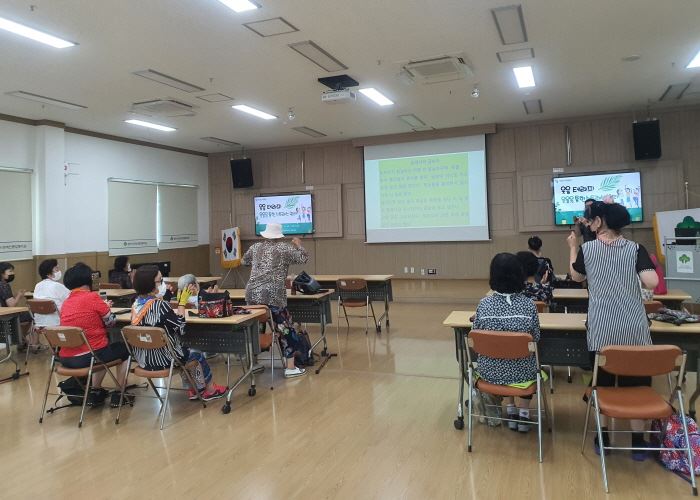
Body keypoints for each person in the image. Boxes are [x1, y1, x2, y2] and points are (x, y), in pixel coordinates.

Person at [567, 201, 658, 460]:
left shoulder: (587, 249)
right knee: (636, 385)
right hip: (634, 329)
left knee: (602, 385)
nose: (589, 224)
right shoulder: (635, 248)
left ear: (598, 222)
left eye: (591, 220)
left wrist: (573, 248)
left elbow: (576, 277)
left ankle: (603, 437)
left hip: (602, 329)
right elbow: (651, 281)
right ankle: (638, 442)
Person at [130, 266, 227, 401]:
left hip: (144, 360)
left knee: (184, 351)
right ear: (150, 285)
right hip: (165, 360)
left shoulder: (135, 306)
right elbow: (181, 328)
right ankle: (209, 389)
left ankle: (194, 389)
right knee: (195, 354)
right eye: (160, 281)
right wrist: (181, 304)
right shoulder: (160, 306)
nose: (163, 284)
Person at [473, 253, 543, 433]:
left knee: (503, 355)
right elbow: (535, 339)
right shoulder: (528, 305)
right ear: (519, 275)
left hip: (489, 373)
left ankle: (511, 410)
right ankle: (523, 414)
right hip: (522, 374)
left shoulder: (483, 305)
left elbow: (475, 339)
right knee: (525, 360)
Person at [242, 222, 309, 378]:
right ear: (279, 236)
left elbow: (244, 262)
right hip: (273, 296)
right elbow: (303, 258)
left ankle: (253, 363)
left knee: (255, 327)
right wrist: (299, 245)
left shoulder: (255, 247)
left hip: (252, 295)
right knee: (286, 329)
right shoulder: (284, 248)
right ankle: (290, 367)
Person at [59, 262, 132, 407]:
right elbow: (111, 322)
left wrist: (101, 309)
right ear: (88, 279)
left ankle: (95, 392)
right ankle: (120, 393)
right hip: (88, 356)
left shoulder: (66, 302)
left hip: (66, 358)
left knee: (102, 349)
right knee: (124, 348)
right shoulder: (92, 297)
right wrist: (106, 308)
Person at [32, 259, 70, 328]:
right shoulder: (57, 286)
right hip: (56, 323)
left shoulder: (37, 286)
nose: (59, 271)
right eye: (56, 269)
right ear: (48, 274)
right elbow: (71, 299)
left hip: (39, 324)